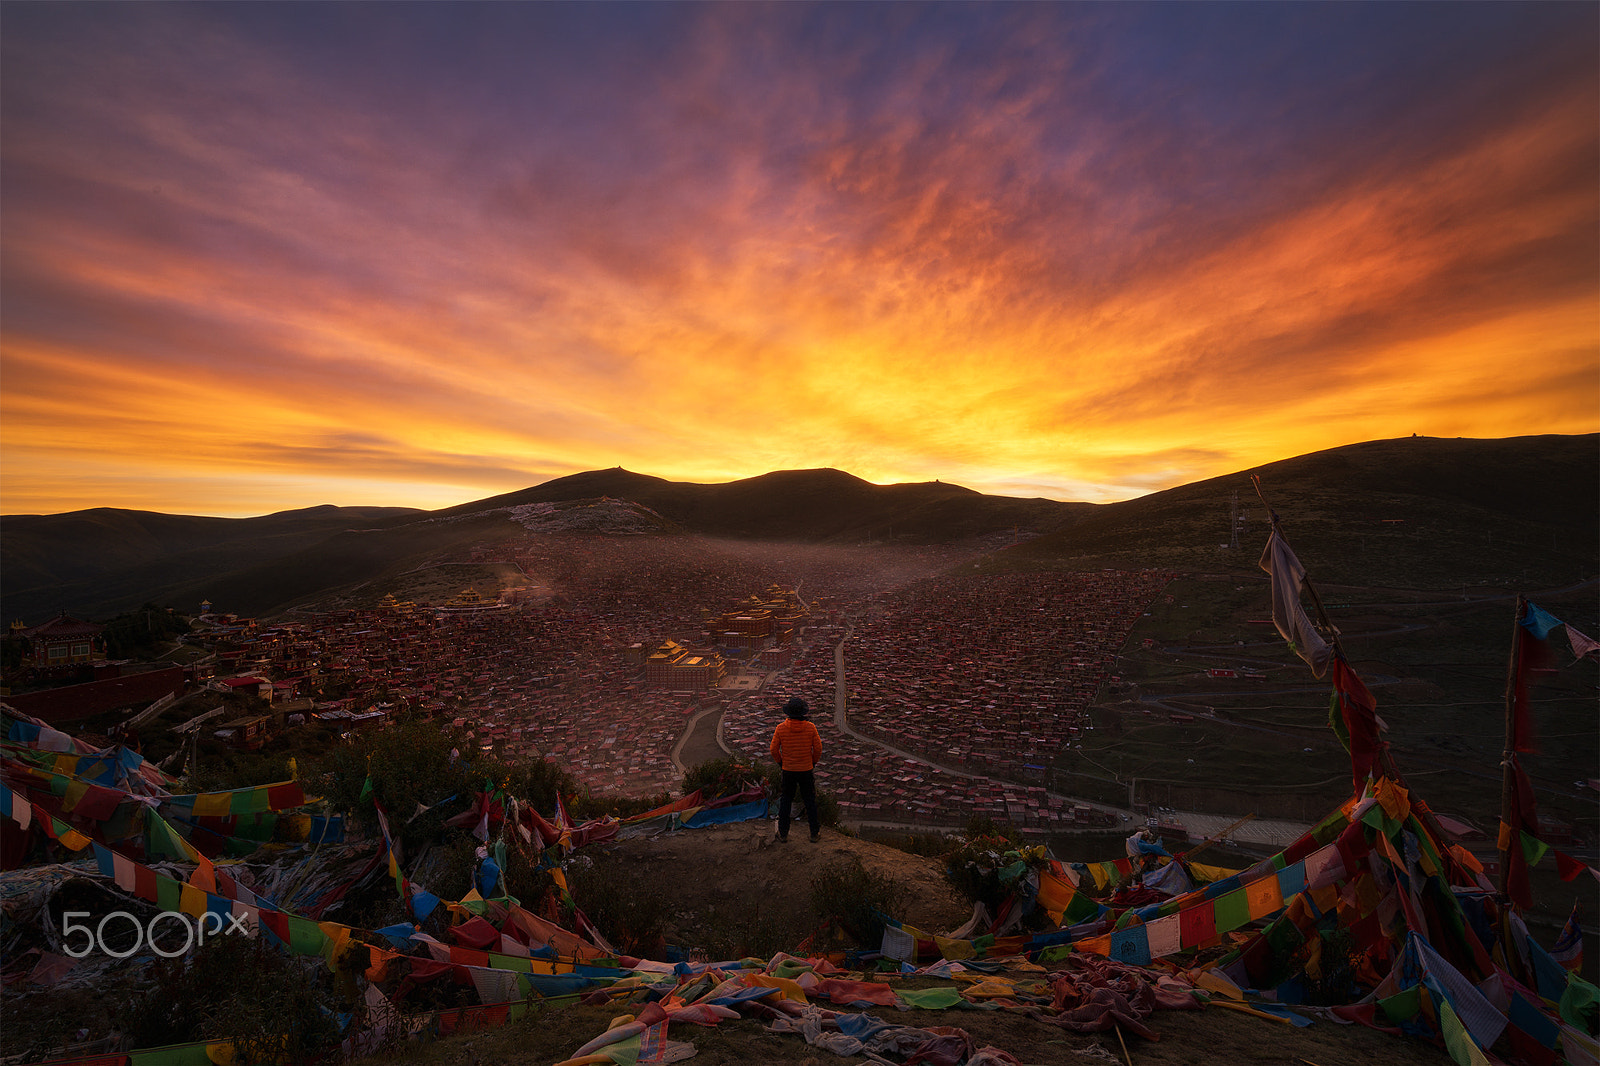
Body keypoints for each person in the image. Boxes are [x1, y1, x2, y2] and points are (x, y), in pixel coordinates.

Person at [769, 696, 822, 843]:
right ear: (803, 713)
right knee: (810, 801)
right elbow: (818, 748)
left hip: (788, 770)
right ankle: (814, 833)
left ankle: (784, 833)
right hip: (806, 769)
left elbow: (773, 749)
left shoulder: (781, 728)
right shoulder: (811, 728)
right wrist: (812, 762)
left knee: (786, 800)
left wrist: (781, 763)